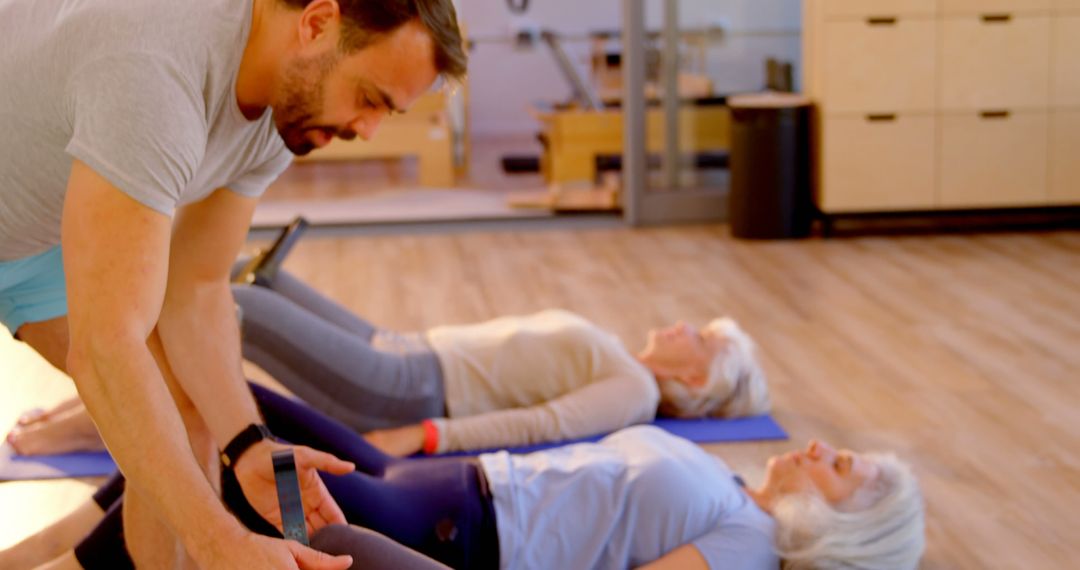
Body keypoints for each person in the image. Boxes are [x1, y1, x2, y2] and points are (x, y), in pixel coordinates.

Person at [0, 0, 467, 566]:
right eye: (369, 98)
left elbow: (196, 288)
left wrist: (248, 444)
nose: (365, 130)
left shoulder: (284, 106)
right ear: (317, 24)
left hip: (27, 229)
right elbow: (104, 350)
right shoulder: (155, 72)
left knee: (186, 415)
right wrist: (216, 539)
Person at [1, 384, 926, 570]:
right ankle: (49, 548)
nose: (821, 450)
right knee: (234, 405)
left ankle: (51, 562)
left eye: (843, 471)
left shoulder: (749, 545)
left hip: (452, 532)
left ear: (850, 529)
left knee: (247, 483)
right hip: (434, 479)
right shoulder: (737, 491)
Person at [9, 267, 771, 457]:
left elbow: (541, 425)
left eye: (697, 337)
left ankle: (86, 421)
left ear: (698, 380)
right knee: (254, 284)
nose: (680, 326)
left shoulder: (634, 391)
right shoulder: (626, 360)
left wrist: (417, 439)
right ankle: (91, 412)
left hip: (401, 392)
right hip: (398, 350)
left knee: (220, 307)